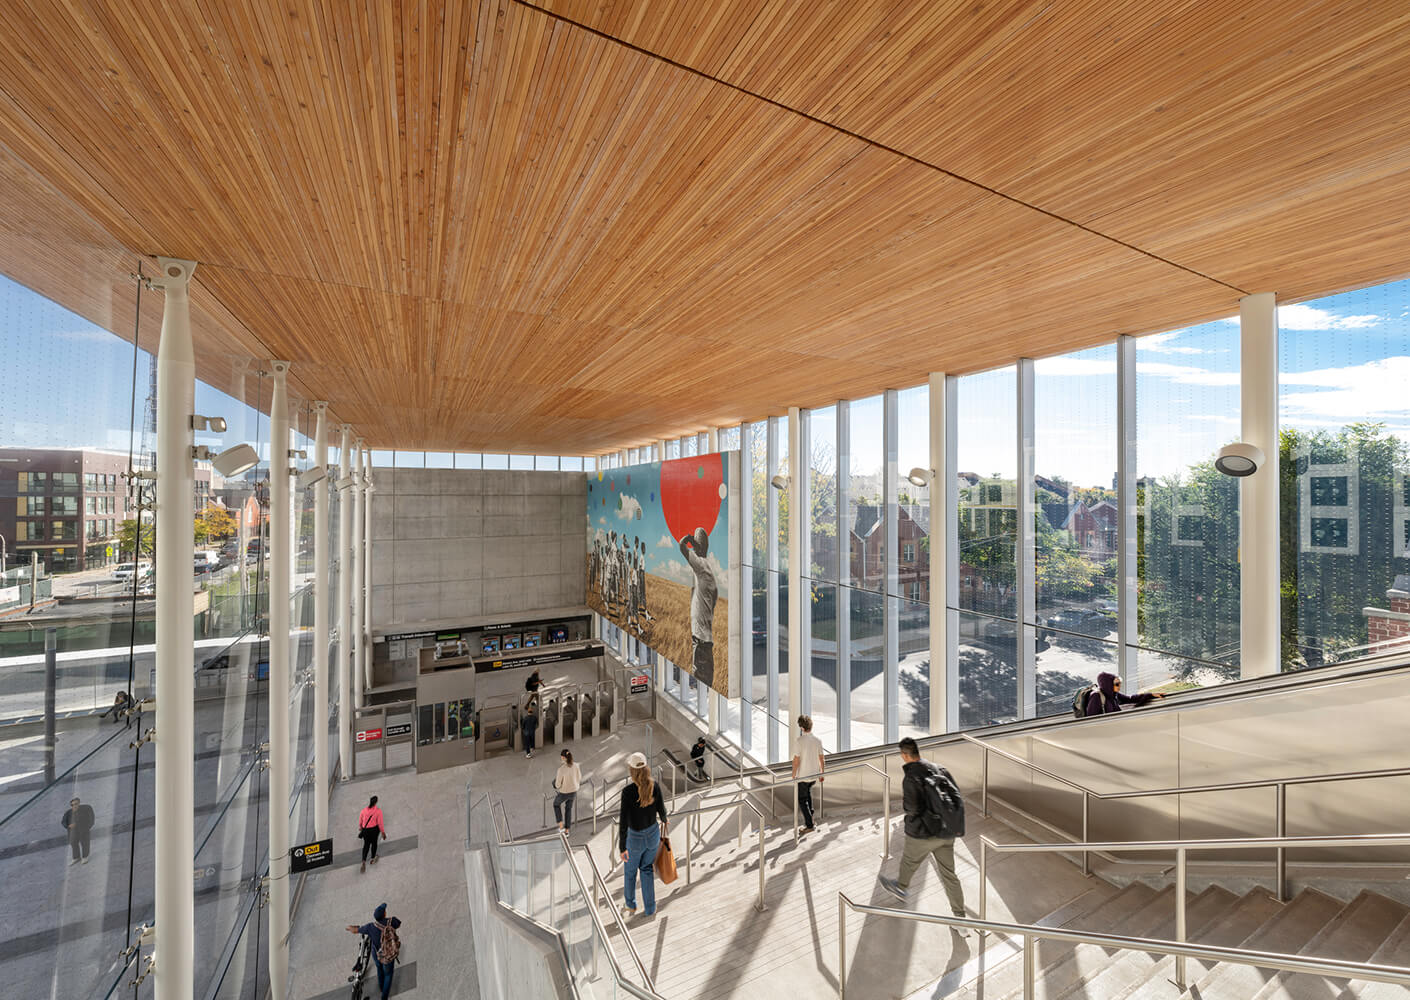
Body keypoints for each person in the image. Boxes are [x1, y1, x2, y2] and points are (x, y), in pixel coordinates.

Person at [877, 737, 967, 922]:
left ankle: (901, 887)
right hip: (946, 832)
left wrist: (910, 820)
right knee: (950, 876)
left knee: (909, 861)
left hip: (923, 834)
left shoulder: (911, 777)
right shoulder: (939, 769)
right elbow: (956, 795)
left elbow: (912, 809)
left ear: (904, 755)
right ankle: (960, 918)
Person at [618, 751, 668, 918]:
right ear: (646, 768)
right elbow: (662, 810)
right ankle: (650, 908)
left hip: (635, 839)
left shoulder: (627, 792)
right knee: (646, 870)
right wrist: (664, 819)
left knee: (630, 873)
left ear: (631, 770)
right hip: (653, 835)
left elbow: (623, 821)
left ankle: (630, 905)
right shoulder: (655, 786)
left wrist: (622, 847)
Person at [679, 527, 718, 688]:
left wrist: (689, 538)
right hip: (707, 639)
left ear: (698, 547)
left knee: (698, 681)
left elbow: (682, 546)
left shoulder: (700, 565)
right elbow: (714, 597)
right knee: (707, 681)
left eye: (695, 546)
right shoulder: (709, 570)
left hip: (700, 638)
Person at [346, 902, 402, 1000]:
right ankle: (384, 997)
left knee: (379, 968)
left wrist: (350, 928)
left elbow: (356, 930)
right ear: (384, 914)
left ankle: (381, 987)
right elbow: (399, 923)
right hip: (388, 955)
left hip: (377, 954)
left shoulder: (370, 927)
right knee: (388, 974)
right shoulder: (391, 921)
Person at [792, 715, 825, 835]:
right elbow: (822, 759)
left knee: (802, 800)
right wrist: (822, 773)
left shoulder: (799, 741)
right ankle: (811, 819)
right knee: (808, 795)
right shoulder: (817, 740)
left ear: (801, 727)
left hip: (803, 775)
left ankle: (809, 825)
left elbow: (796, 760)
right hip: (814, 775)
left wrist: (793, 774)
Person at [1084, 671, 1162, 716]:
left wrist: (1150, 695)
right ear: (1108, 685)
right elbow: (1091, 718)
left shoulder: (1113, 694)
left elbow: (1130, 699)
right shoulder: (1096, 696)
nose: (1119, 686)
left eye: (1120, 683)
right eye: (1117, 684)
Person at [553, 748, 582, 833]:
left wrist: (555, 783)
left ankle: (561, 826)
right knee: (568, 809)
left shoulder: (561, 769)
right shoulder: (576, 765)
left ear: (563, 758)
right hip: (574, 791)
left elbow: (557, 785)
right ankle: (567, 831)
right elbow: (579, 777)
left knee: (556, 804)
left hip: (564, 792)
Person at [62, 796, 95, 865]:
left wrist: (87, 827)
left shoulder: (86, 809)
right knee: (73, 843)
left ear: (79, 803)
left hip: (83, 830)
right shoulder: (68, 813)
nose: (74, 806)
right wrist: (68, 826)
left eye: (76, 804)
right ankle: (76, 857)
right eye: (72, 805)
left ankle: (85, 856)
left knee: (84, 842)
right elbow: (63, 821)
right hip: (73, 831)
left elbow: (91, 818)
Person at [358, 795, 387, 873]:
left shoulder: (364, 810)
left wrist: (360, 827)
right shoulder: (378, 811)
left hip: (365, 831)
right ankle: (372, 859)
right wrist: (383, 832)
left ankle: (363, 861)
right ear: (376, 802)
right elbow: (380, 823)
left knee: (366, 845)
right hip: (374, 830)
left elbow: (360, 820)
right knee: (374, 844)